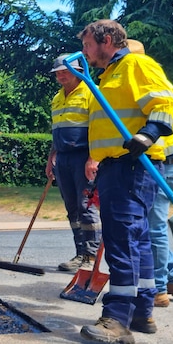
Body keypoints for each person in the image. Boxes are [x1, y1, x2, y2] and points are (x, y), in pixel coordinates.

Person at [77, 20, 173, 344]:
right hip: (119, 167)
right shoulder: (109, 74)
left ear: (106, 39)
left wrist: (147, 135)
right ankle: (142, 310)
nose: (84, 51)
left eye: (87, 45)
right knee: (137, 241)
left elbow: (166, 103)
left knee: (122, 240)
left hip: (131, 165)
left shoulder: (136, 64)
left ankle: (117, 320)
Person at [128, 40, 173, 307]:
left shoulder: (155, 90)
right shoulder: (162, 87)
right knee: (157, 225)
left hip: (161, 165)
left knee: (153, 227)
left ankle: (159, 289)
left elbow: (160, 135)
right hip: (169, 164)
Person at [45, 54, 102, 272]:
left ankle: (90, 255)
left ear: (78, 71)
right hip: (64, 158)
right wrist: (52, 157)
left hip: (83, 157)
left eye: (65, 71)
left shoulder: (91, 92)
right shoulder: (57, 98)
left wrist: (93, 158)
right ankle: (80, 252)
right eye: (57, 73)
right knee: (72, 208)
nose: (60, 76)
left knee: (86, 206)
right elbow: (57, 130)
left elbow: (99, 128)